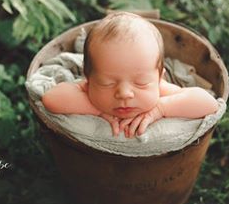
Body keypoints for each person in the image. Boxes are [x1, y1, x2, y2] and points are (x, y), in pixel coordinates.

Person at [42, 12, 219, 138]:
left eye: (141, 82)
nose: (124, 93)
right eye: (106, 83)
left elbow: (208, 103)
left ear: (159, 78)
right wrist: (97, 110)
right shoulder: (87, 89)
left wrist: (160, 109)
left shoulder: (161, 90)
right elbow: (51, 98)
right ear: (88, 80)